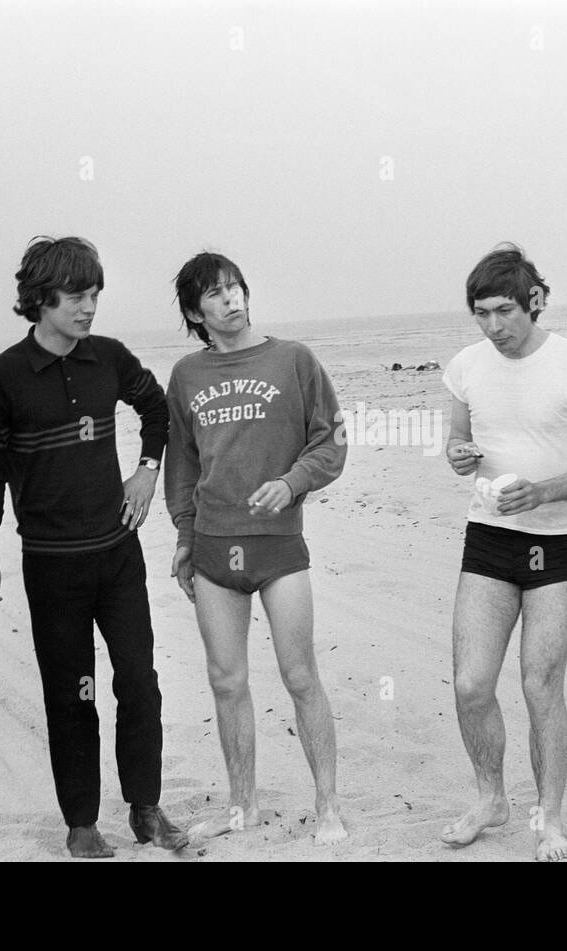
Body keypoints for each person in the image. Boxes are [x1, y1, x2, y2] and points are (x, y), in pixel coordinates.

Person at [0, 236, 185, 858]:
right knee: (73, 694)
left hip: (117, 556)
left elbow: (156, 407)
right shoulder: (2, 377)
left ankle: (146, 810)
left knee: (139, 681)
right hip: (51, 565)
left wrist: (146, 468)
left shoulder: (108, 358)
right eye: (76, 296)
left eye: (95, 294)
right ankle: (82, 824)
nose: (88, 307)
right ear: (40, 299)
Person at [165, 251, 348, 845]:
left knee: (300, 675)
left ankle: (328, 807)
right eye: (215, 294)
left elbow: (331, 441)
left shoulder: (293, 360)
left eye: (236, 287)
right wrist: (185, 539)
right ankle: (240, 806)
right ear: (196, 312)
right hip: (216, 547)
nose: (231, 299)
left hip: (279, 547)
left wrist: (293, 482)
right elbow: (183, 463)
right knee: (226, 680)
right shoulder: (187, 376)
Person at [441, 244, 567, 862]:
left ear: (533, 301)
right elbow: (459, 443)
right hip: (489, 535)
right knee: (469, 684)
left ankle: (550, 818)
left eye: (505, 311)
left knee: (540, 684)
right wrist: (459, 455)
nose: (494, 327)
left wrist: (542, 490)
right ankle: (492, 798)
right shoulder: (465, 366)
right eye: (482, 314)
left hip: (558, 542)